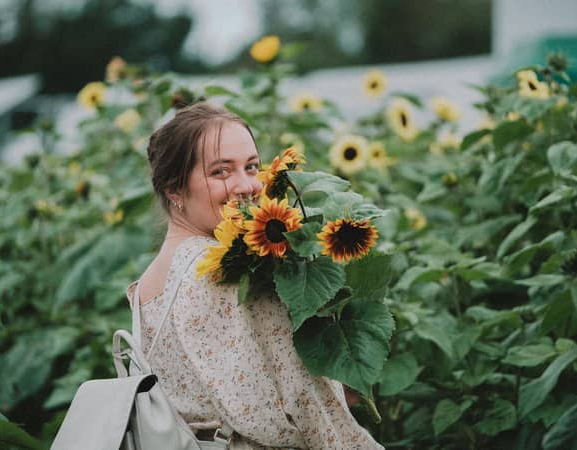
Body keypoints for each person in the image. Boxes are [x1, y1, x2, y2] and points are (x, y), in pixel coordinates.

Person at [125, 102, 384, 450]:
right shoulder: (226, 270)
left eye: (251, 167)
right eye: (220, 172)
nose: (246, 185)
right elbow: (304, 398)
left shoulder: (146, 285)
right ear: (174, 189)